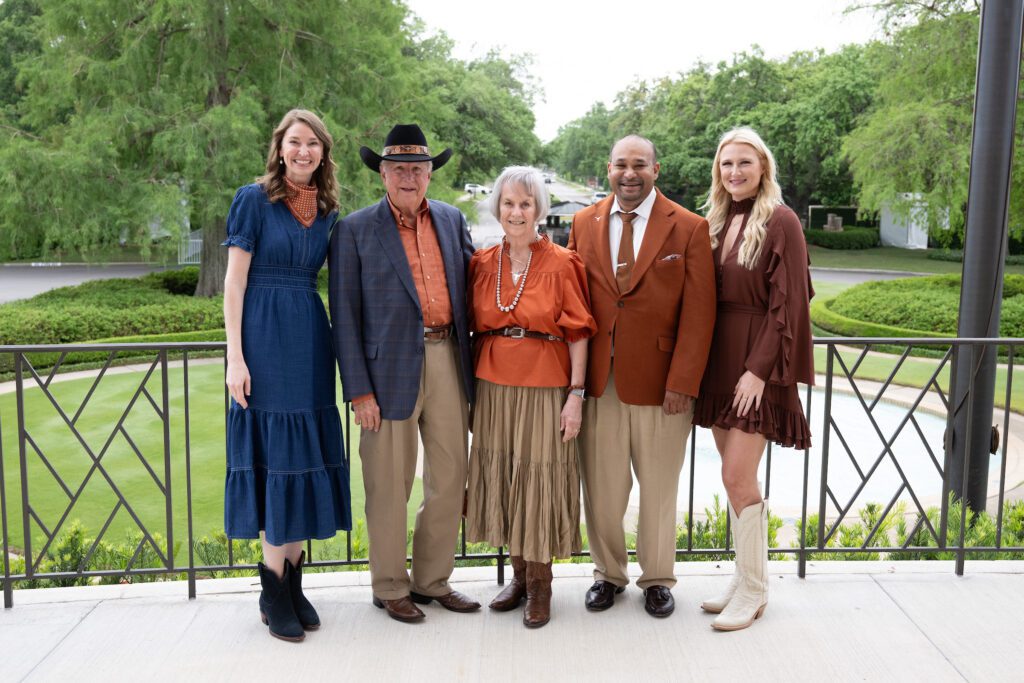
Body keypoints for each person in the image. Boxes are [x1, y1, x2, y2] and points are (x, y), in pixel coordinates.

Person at [329, 124, 480, 623]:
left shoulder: (453, 220)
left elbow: (476, 286)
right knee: (388, 483)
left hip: (447, 359)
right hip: (384, 370)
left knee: (449, 476)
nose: (408, 178)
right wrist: (359, 391)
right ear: (383, 175)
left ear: (430, 175)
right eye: (398, 170)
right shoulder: (354, 229)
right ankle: (390, 585)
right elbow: (344, 316)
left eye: (418, 169)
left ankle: (433, 580)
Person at [568, 135, 716, 618]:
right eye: (620, 166)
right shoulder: (582, 223)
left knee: (658, 489)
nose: (629, 174)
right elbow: (572, 304)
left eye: (639, 165)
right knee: (603, 489)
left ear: (656, 169)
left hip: (663, 385)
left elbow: (700, 313)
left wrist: (684, 381)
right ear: (607, 170)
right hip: (599, 382)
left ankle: (657, 579)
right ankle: (607, 575)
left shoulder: (689, 228)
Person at [222, 109, 351, 642]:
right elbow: (232, 285)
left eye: (314, 144)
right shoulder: (253, 200)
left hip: (309, 342)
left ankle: (293, 584)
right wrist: (235, 357)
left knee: (303, 458)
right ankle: (272, 590)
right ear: (279, 149)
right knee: (276, 458)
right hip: (264, 342)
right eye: (295, 142)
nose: (304, 151)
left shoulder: (325, 209)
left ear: (323, 153)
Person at [465, 166, 597, 628]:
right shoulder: (481, 263)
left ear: (539, 209)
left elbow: (579, 333)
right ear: (497, 208)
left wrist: (576, 395)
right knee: (504, 476)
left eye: (525, 204)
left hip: (545, 386)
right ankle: (518, 577)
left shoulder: (563, 263)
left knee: (538, 479)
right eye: (508, 203)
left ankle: (541, 585)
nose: (516, 212)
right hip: (493, 387)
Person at [694, 126, 814, 632]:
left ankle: (757, 589)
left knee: (736, 476)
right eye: (727, 164)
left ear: (763, 167)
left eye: (745, 162)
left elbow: (789, 301)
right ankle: (746, 577)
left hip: (753, 367)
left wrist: (758, 372)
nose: (735, 172)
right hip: (719, 362)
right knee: (735, 476)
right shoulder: (716, 221)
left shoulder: (781, 220)